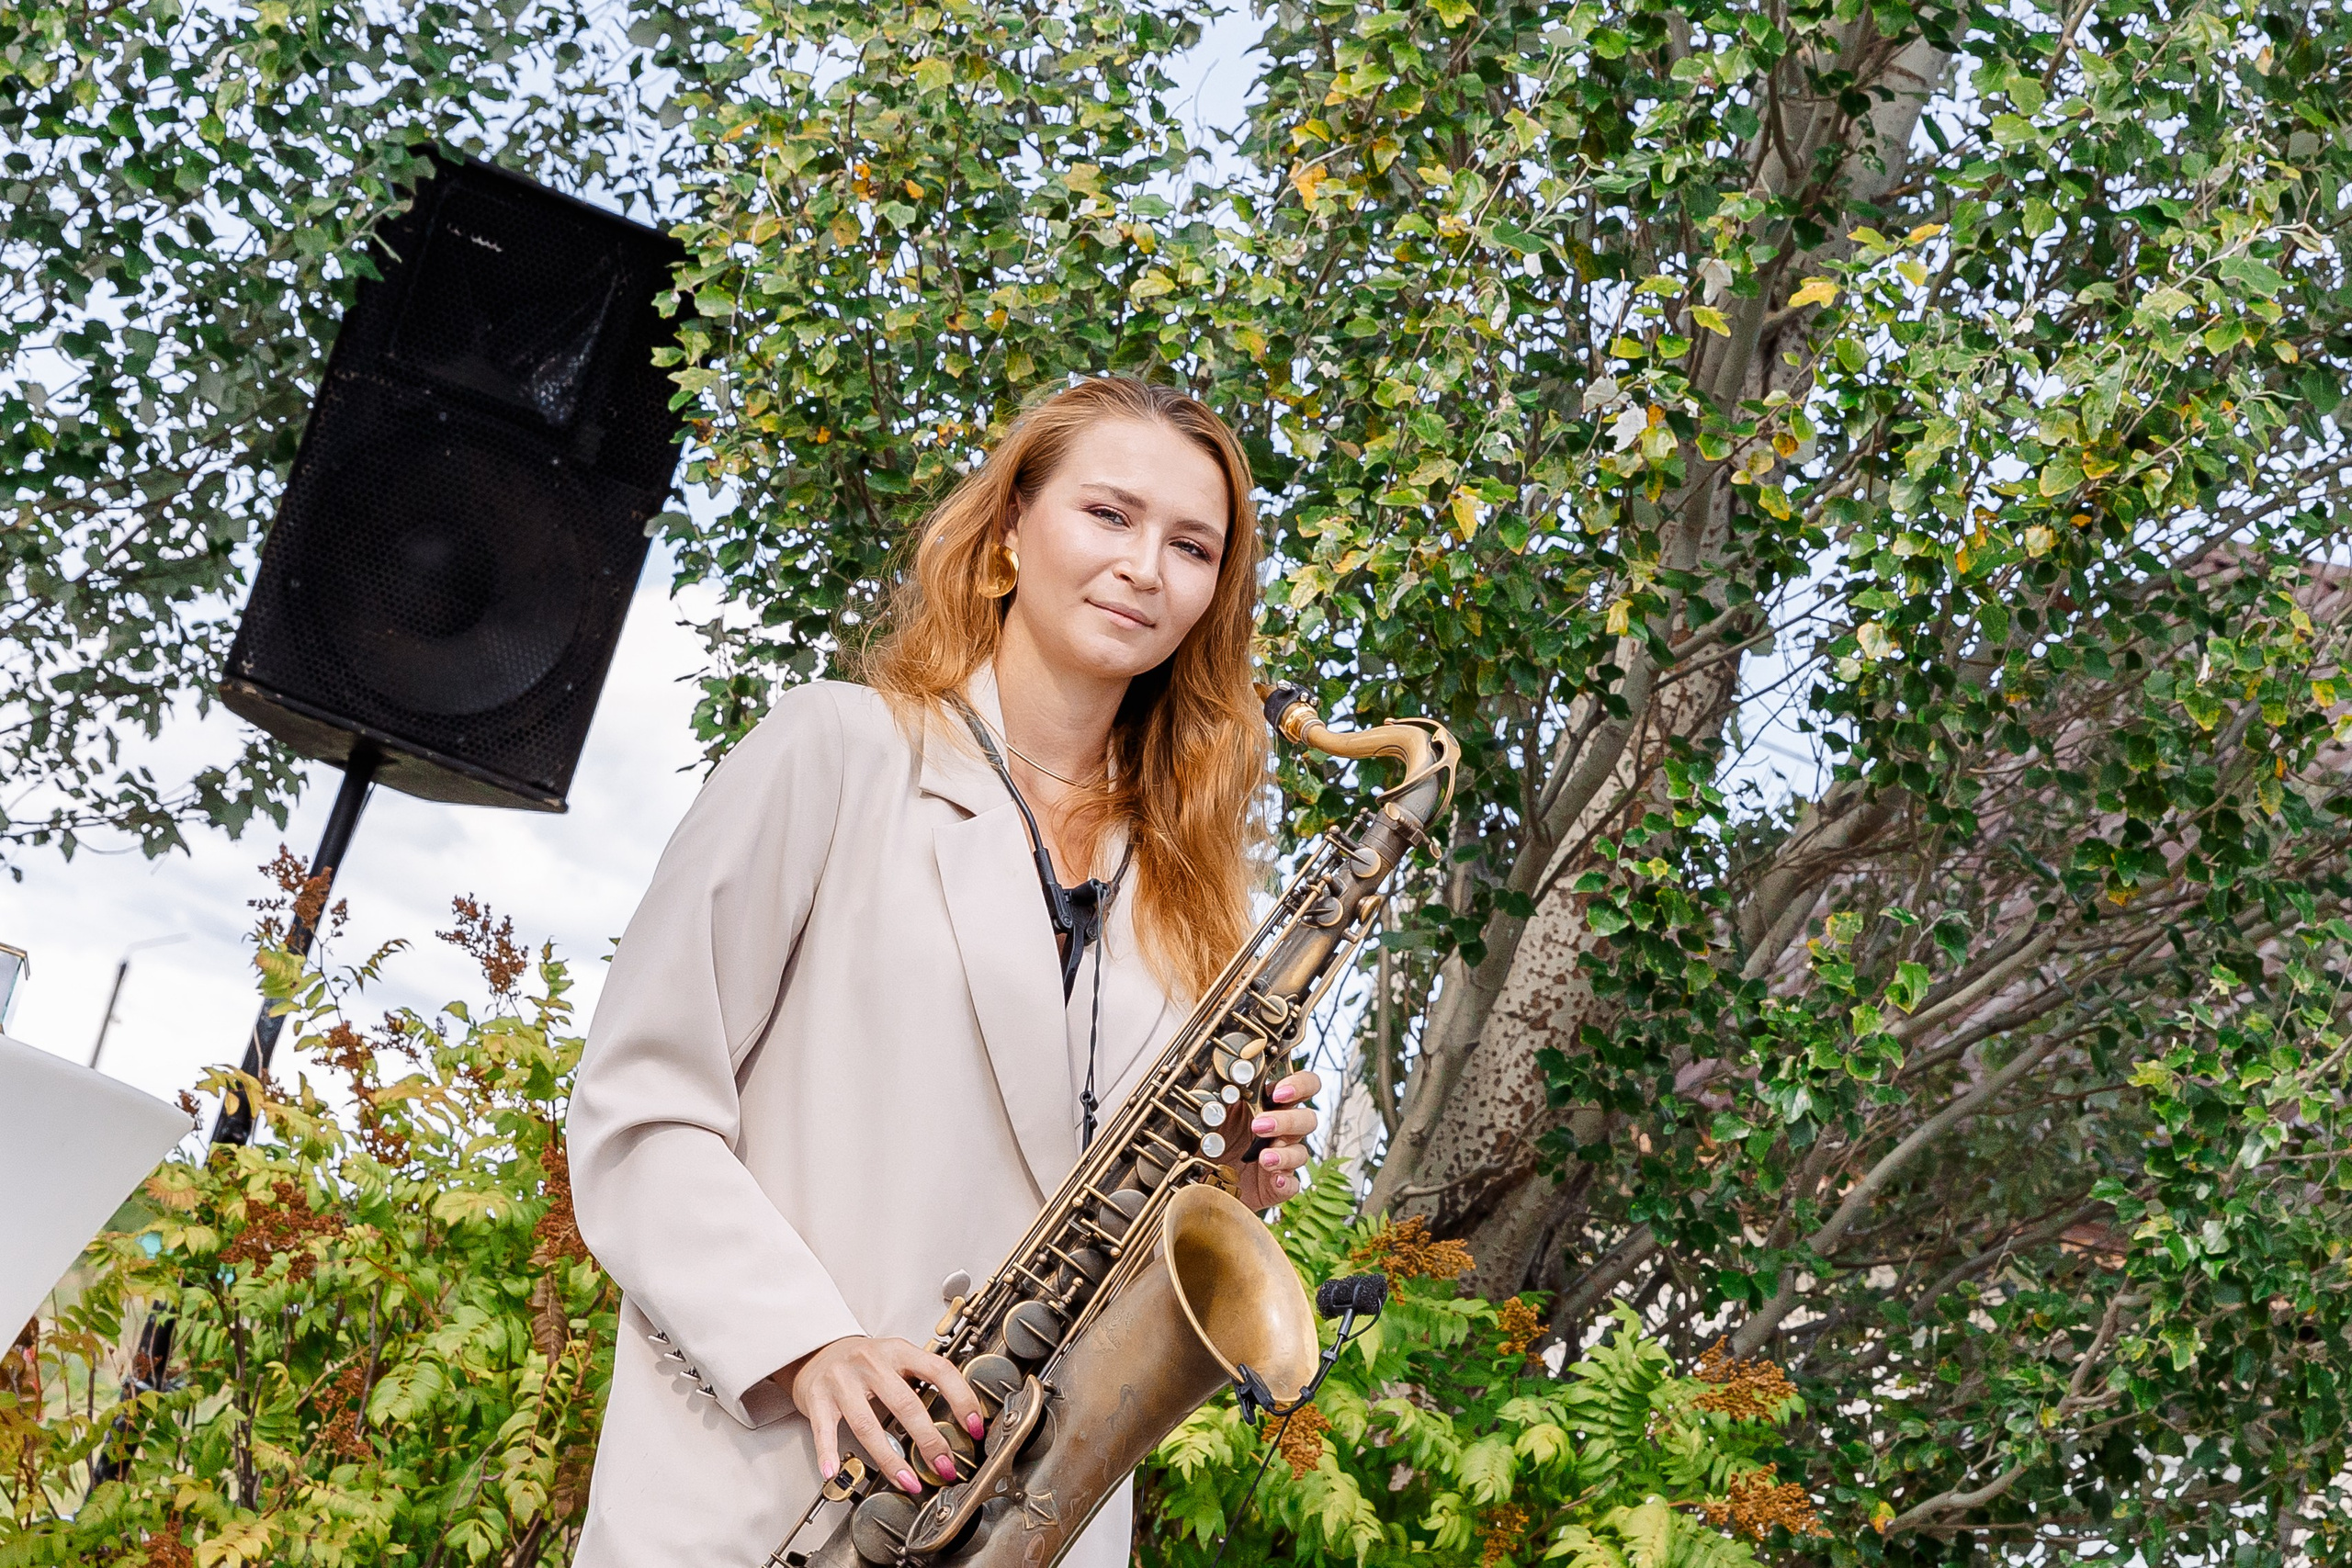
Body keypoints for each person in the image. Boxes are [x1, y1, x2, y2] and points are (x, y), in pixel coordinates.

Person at [566, 376, 1323, 1567]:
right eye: (1110, 515)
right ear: (1013, 526)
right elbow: (639, 1108)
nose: (1145, 568)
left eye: (1192, 546)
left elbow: (1110, 1227)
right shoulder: (835, 748)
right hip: (779, 1488)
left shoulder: (1192, 897)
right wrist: (806, 1342)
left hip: (1019, 1525)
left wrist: (1226, 1180)